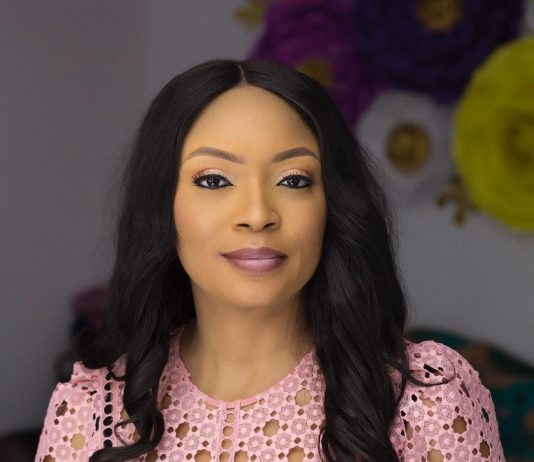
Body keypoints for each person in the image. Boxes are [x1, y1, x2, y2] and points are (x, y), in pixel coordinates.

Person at [35, 59, 504, 462]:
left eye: (293, 180)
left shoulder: (426, 400)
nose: (258, 215)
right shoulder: (90, 411)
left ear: (331, 205)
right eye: (214, 180)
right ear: (162, 206)